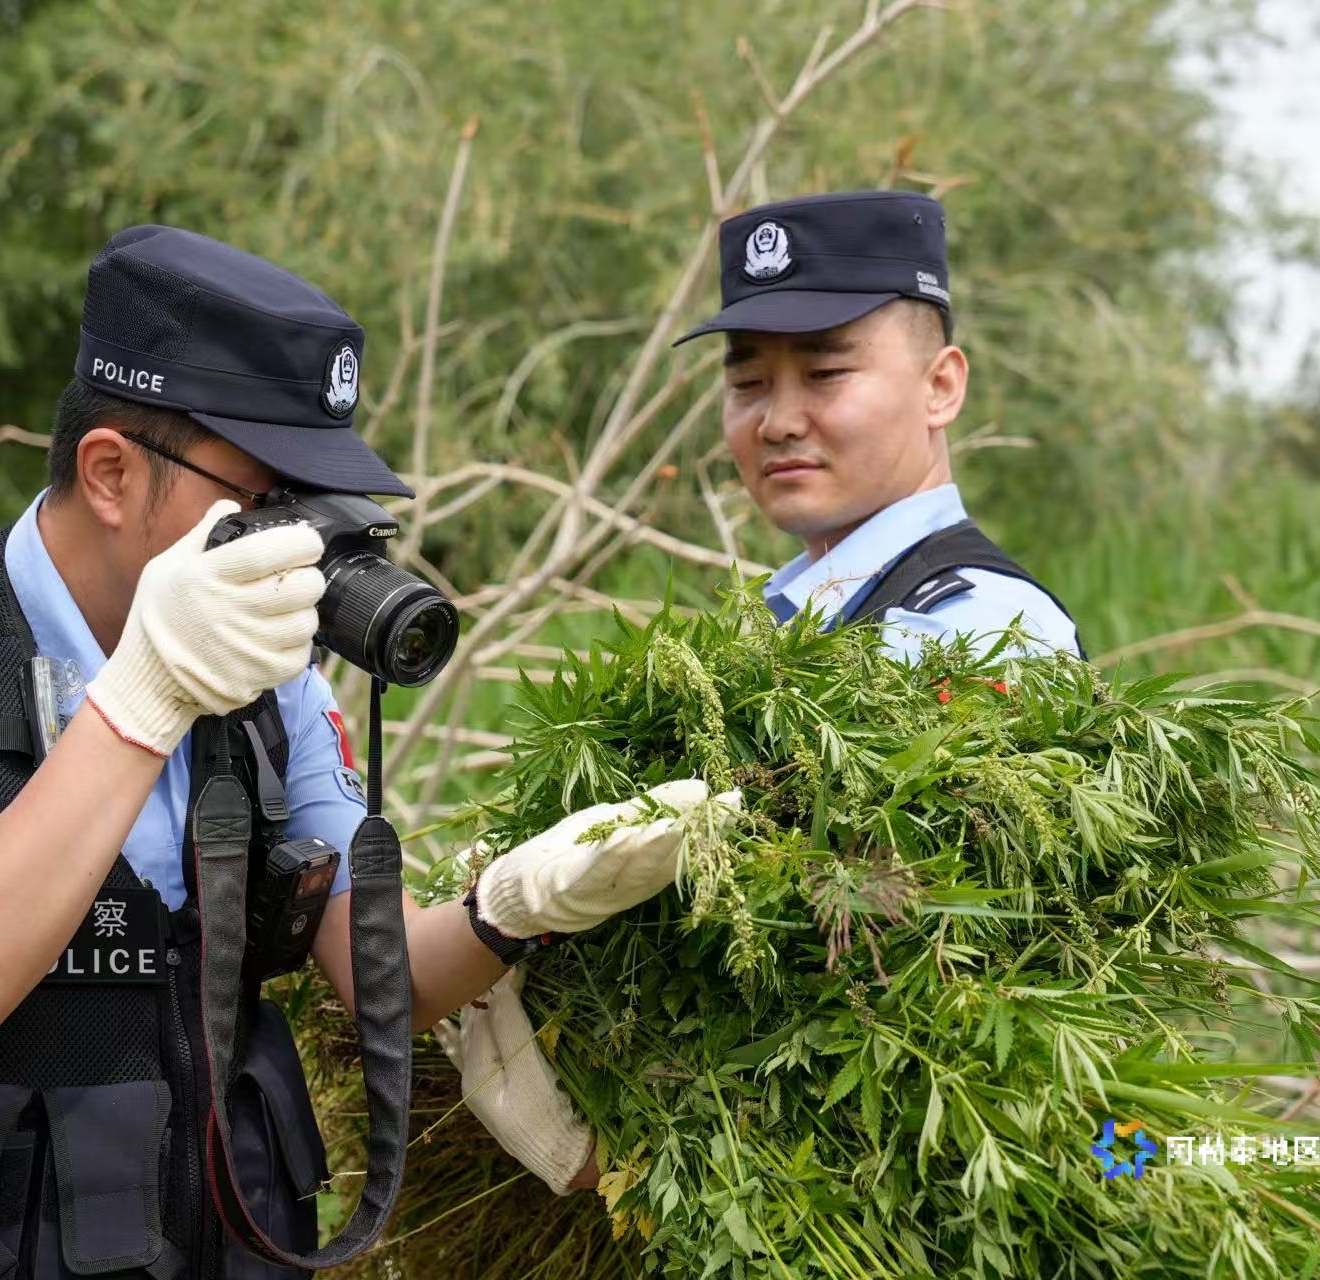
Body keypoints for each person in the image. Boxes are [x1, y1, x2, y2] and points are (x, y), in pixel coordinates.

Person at [0, 224, 730, 1279]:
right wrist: (142, 698)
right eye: (266, 502)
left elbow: (382, 973)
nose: (299, 544)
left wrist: (517, 905)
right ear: (111, 473)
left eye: (317, 506)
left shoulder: (271, 686)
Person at [438, 189, 1083, 1194]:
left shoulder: (972, 627)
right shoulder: (794, 621)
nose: (778, 420)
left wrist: (612, 1162)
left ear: (941, 385)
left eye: (826, 373)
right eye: (747, 383)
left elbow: (905, 974)